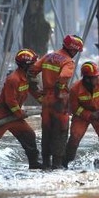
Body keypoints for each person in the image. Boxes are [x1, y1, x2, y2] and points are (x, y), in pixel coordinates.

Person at [29, 34, 84, 169]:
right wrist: (60, 91)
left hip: (46, 99)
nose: (76, 54)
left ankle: (46, 163)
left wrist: (37, 92)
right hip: (59, 101)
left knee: (46, 130)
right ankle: (57, 164)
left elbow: (31, 72)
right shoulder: (68, 62)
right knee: (60, 130)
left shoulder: (48, 56)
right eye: (76, 51)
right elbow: (64, 76)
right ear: (72, 49)